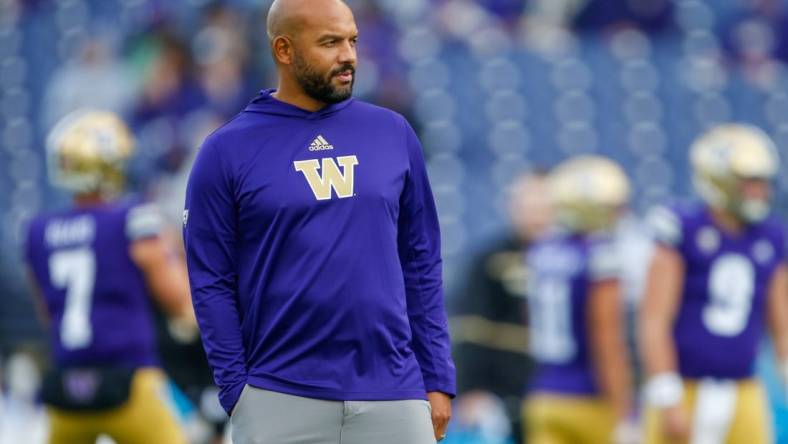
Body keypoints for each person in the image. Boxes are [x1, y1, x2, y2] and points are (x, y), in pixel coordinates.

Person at [182, 0, 455, 443]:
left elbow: (421, 262)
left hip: (395, 393)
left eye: (352, 40)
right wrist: (238, 390)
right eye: (330, 42)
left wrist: (438, 376)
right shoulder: (224, 151)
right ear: (284, 50)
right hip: (279, 395)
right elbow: (210, 279)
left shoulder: (393, 133)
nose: (348, 55)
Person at [24, 110, 192, 444]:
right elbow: (177, 299)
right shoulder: (136, 220)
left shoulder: (38, 230)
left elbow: (47, 311)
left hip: (66, 389)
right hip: (131, 384)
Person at [640, 123, 788, 444]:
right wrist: (667, 393)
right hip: (686, 385)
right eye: (750, 182)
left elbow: (783, 325)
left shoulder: (771, 236)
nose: (760, 191)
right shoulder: (682, 228)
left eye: (762, 182)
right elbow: (654, 320)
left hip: (744, 387)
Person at [523, 155, 635, 444]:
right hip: (590, 401)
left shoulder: (541, 251)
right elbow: (606, 338)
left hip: (544, 397)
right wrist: (625, 412)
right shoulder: (600, 256)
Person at [451, 171, 552, 443]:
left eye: (543, 206)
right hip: (501, 396)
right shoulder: (490, 260)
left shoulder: (572, 259)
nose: (535, 215)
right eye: (527, 205)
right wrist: (471, 389)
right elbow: (469, 329)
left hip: (557, 393)